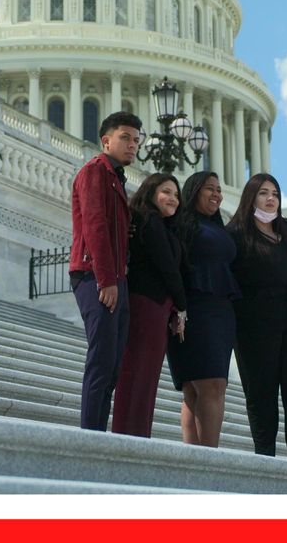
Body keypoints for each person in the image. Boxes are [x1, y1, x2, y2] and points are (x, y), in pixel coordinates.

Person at [227, 173, 287, 461]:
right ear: (251, 196)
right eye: (263, 192)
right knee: (262, 395)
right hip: (255, 325)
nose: (270, 198)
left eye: (275, 193)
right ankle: (265, 458)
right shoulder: (236, 233)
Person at [69, 110, 142, 431]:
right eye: (125, 138)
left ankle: (98, 431)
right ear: (106, 140)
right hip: (96, 274)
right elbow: (95, 225)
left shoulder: (114, 177)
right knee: (101, 361)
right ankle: (91, 437)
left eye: (137, 140)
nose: (132, 145)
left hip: (116, 278)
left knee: (113, 364)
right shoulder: (95, 172)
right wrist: (106, 279)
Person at [111, 172, 187, 437]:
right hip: (148, 304)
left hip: (155, 305)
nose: (173, 199)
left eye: (176, 195)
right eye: (166, 192)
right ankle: (129, 434)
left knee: (146, 375)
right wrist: (182, 305)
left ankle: (137, 433)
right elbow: (167, 266)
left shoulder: (159, 224)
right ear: (151, 192)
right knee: (138, 373)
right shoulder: (150, 220)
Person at [166, 170, 239, 447]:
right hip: (193, 310)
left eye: (219, 190)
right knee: (209, 386)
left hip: (221, 311)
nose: (217, 194)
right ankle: (210, 460)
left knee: (196, 390)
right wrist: (178, 309)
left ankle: (195, 459)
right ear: (194, 190)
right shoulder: (181, 224)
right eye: (210, 188)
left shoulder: (218, 227)